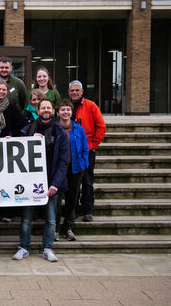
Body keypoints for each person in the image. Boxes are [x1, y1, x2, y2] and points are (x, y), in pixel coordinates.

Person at [13, 98, 69, 262]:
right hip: (30, 183)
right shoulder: (28, 129)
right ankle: (24, 247)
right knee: (26, 219)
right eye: (42, 108)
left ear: (53, 111)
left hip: (51, 183)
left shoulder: (60, 132)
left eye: (48, 108)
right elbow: (14, 145)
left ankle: (48, 248)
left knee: (51, 219)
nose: (45, 110)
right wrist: (28, 138)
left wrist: (55, 184)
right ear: (38, 111)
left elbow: (64, 161)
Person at [68, 80, 106, 222]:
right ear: (69, 92)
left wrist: (94, 145)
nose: (74, 93)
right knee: (73, 181)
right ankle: (73, 209)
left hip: (87, 150)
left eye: (77, 90)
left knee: (87, 181)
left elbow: (101, 126)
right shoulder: (67, 106)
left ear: (82, 91)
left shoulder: (90, 106)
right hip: (70, 150)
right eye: (72, 90)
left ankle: (88, 210)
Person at [55, 99, 89, 241]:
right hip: (58, 171)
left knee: (72, 200)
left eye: (68, 109)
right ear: (57, 112)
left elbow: (85, 149)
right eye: (62, 109)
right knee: (56, 201)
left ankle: (68, 228)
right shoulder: (54, 128)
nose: (65, 112)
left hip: (75, 170)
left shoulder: (79, 129)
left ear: (72, 112)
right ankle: (55, 228)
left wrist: (83, 163)